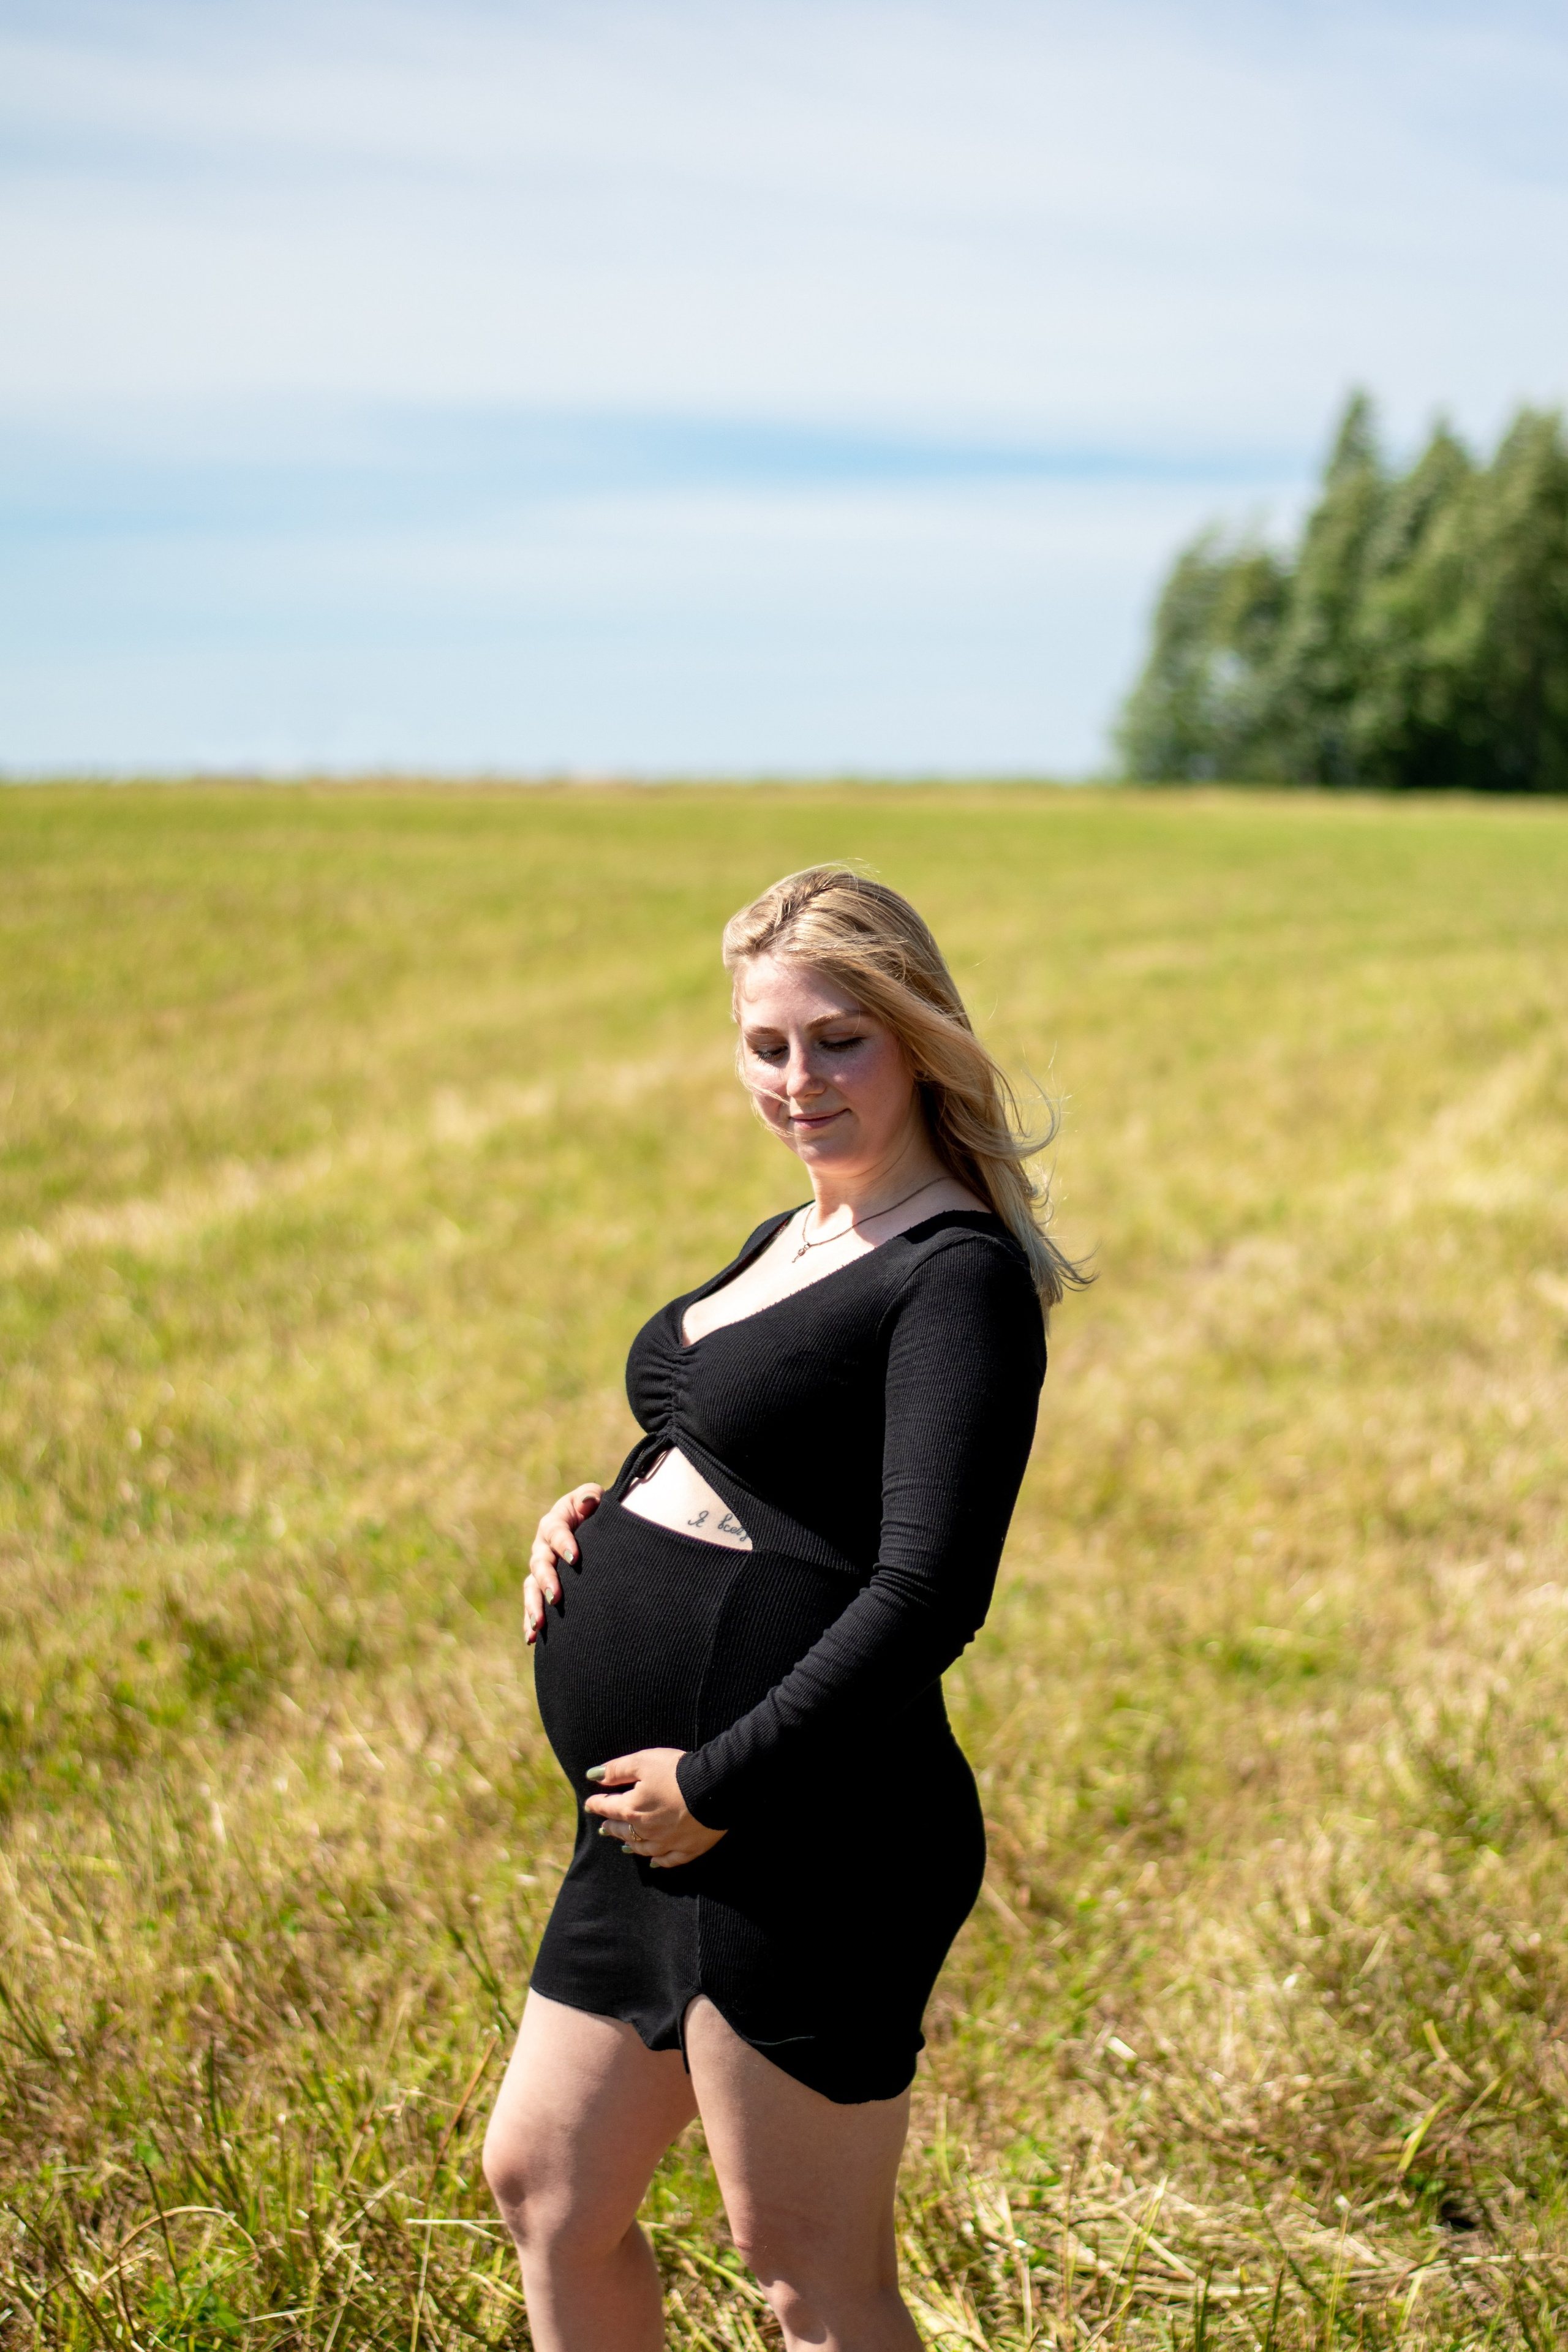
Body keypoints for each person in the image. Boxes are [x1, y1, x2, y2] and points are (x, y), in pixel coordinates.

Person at [482, 865, 1085, 2351]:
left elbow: (927, 1592)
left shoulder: (954, 1278)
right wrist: (607, 1504)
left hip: (810, 1825)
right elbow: (745, 1445)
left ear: (919, 1039)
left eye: (838, 1041)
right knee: (546, 2188)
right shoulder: (789, 1236)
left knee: (804, 2272)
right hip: (651, 1829)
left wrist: (721, 1784)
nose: (797, 1079)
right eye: (767, 1046)